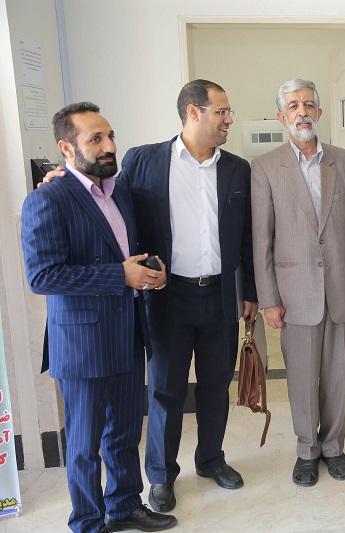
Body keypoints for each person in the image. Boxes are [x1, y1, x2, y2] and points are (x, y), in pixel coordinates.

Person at [21, 102, 176, 533]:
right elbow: (42, 275)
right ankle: (88, 522)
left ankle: (124, 506)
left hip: (127, 334)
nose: (109, 146)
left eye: (110, 136)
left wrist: (151, 272)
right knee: (85, 445)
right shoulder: (48, 199)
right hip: (82, 346)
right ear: (66, 148)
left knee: (124, 434)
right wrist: (119, 275)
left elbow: (129, 252)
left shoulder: (119, 192)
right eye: (96, 139)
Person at [119, 80, 258, 511]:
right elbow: (111, 205)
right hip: (167, 296)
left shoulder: (237, 169)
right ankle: (161, 476)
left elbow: (248, 239)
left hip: (220, 296)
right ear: (193, 113)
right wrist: (61, 179)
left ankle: (211, 459)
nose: (229, 119)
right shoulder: (143, 161)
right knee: (166, 390)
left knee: (216, 385)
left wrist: (250, 293)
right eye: (221, 111)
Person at [251, 79, 345, 487]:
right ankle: (307, 450)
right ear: (281, 117)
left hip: (341, 287)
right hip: (294, 293)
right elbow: (262, 240)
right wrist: (268, 299)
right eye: (292, 106)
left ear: (319, 112)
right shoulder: (265, 167)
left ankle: (333, 447)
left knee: (336, 375)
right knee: (301, 378)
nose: (301, 112)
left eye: (308, 104)